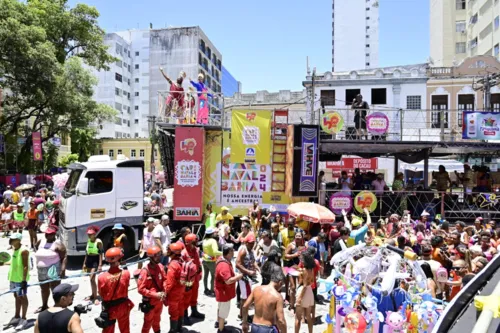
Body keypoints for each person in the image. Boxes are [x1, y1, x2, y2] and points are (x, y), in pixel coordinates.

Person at [242, 264, 287, 333]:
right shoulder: (278, 297)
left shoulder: (256, 289)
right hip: (268, 329)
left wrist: (244, 322)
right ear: (280, 282)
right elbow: (281, 320)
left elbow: (245, 306)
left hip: (255, 327)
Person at [98, 247, 134, 333]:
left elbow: (101, 294)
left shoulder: (101, 277)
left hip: (110, 308)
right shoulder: (126, 273)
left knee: (108, 330)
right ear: (120, 259)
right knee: (125, 330)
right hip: (123, 307)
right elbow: (127, 285)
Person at [35, 225, 67, 313]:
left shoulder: (58, 243)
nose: (47, 236)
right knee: (44, 288)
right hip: (41, 270)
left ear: (54, 234)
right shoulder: (41, 241)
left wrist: (63, 270)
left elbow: (64, 257)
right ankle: (44, 306)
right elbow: (36, 247)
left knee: (55, 288)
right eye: (46, 234)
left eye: (50, 234)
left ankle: (58, 306)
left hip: (53, 269)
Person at [2, 233, 30, 331]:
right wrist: (4, 263)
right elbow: (14, 262)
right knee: (16, 297)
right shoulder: (14, 249)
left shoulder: (24, 251)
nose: (11, 240)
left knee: (22, 297)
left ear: (18, 240)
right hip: (13, 278)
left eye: (13, 239)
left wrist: (23, 280)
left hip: (20, 279)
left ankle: (24, 319)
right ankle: (17, 317)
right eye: (11, 239)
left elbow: (25, 266)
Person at [137, 246, 167, 333]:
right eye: (156, 256)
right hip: (150, 302)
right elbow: (140, 289)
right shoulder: (145, 271)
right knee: (147, 323)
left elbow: (165, 279)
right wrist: (155, 295)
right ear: (150, 257)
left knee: (157, 319)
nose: (159, 257)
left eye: (159, 255)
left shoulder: (160, 266)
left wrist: (164, 291)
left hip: (159, 301)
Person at [215, 244, 243, 333]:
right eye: (232, 251)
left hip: (221, 290)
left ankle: (218, 323)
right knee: (223, 311)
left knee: (220, 308)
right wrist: (239, 277)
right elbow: (228, 280)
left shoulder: (223, 260)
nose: (233, 252)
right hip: (224, 292)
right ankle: (221, 329)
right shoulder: (224, 265)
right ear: (229, 253)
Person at [182, 233, 205, 321]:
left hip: (195, 277)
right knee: (186, 296)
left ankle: (194, 311)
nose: (196, 244)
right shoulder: (184, 253)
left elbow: (198, 262)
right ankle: (184, 315)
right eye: (194, 242)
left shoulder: (196, 250)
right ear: (188, 243)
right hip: (188, 279)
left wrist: (200, 273)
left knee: (194, 295)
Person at [236, 233, 259, 319]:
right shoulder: (243, 250)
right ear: (246, 243)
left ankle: (242, 314)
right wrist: (248, 272)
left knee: (245, 296)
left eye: (253, 243)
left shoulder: (251, 250)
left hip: (248, 277)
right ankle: (244, 316)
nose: (252, 244)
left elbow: (253, 261)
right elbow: (237, 264)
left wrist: (258, 268)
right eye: (250, 243)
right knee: (245, 298)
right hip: (243, 277)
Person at [165, 242, 185, 333]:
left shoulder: (173, 265)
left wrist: (165, 292)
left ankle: (173, 330)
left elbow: (169, 283)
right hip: (181, 289)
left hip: (174, 292)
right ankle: (179, 328)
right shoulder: (181, 261)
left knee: (173, 312)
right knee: (180, 309)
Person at [295, 251, 316, 333]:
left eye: (302, 259)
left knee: (297, 318)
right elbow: (312, 282)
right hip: (309, 291)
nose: (301, 261)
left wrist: (300, 298)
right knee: (308, 316)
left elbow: (303, 285)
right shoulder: (311, 269)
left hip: (303, 291)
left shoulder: (304, 270)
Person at [83, 226, 103, 305]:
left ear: (94, 234)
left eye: (91, 234)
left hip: (95, 260)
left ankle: (95, 298)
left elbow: (101, 253)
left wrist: (100, 265)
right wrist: (84, 263)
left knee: (92, 278)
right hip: (89, 260)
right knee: (91, 279)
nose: (89, 235)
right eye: (88, 234)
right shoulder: (88, 241)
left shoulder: (98, 242)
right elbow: (86, 253)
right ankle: (92, 294)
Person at [202, 227, 222, 296]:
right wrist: (223, 253)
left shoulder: (204, 240)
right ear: (211, 234)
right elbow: (215, 252)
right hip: (211, 261)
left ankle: (205, 289)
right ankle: (212, 290)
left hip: (204, 260)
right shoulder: (213, 241)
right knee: (213, 276)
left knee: (205, 276)